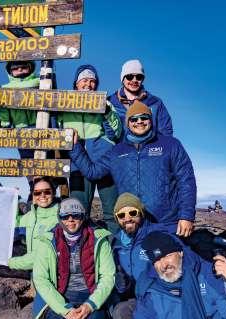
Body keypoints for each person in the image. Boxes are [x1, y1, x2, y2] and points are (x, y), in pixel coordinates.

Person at [70, 100, 196, 237]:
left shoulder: (170, 145)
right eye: (134, 119)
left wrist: (186, 216)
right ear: (128, 123)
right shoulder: (117, 151)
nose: (139, 121)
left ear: (151, 120)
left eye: (144, 117)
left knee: (172, 258)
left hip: (167, 223)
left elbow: (186, 181)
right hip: (132, 224)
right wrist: (75, 147)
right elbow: (92, 172)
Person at [57, 64, 122, 232]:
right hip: (77, 163)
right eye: (84, 80)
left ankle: (114, 251)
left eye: (93, 81)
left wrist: (106, 112)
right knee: (78, 211)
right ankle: (82, 251)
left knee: (112, 211)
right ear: (76, 84)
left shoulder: (105, 103)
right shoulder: (65, 103)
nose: (88, 84)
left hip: (104, 162)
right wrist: (68, 138)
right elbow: (56, 129)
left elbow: (116, 132)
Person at [109, 193, 171, 319]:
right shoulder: (116, 244)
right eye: (121, 215)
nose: (127, 218)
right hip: (135, 299)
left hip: (159, 297)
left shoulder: (156, 234)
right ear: (117, 219)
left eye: (133, 213)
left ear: (141, 214)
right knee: (119, 311)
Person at [108, 59, 173, 140]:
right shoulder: (110, 102)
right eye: (129, 77)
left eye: (139, 77)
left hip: (148, 150)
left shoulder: (155, 102)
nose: (134, 80)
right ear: (122, 79)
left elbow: (165, 132)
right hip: (120, 151)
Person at [8, 176, 60, 270]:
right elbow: (13, 226)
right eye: (37, 192)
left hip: (52, 275)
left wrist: (11, 262)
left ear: (54, 193)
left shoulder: (60, 219)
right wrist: (14, 199)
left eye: (47, 191)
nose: (42, 195)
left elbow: (41, 257)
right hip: (35, 274)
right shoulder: (30, 216)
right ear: (33, 195)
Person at [0, 60, 40, 159]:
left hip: (39, 126)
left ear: (30, 68)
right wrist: (5, 123)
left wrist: (2, 90)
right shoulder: (4, 90)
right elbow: (4, 110)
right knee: (27, 160)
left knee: (47, 159)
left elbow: (32, 83)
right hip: (20, 130)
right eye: (15, 68)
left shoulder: (39, 82)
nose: (20, 69)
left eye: (24, 67)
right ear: (10, 71)